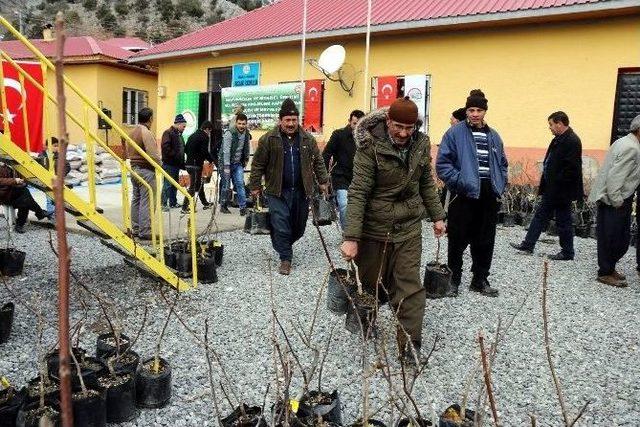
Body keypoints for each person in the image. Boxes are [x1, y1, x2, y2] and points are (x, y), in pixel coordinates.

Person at [339, 97, 446, 360]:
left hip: (408, 228)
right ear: (388, 121)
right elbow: (358, 193)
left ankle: (410, 345)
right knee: (371, 283)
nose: (403, 133)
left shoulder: (420, 145)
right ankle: (367, 319)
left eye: (409, 128)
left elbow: (426, 185)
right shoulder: (369, 147)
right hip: (374, 228)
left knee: (409, 287)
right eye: (398, 126)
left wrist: (437, 216)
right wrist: (351, 237)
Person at [436, 89, 508, 297]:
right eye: (471, 110)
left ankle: (480, 279)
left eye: (479, 110)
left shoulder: (494, 136)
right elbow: (442, 164)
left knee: (485, 239)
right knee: (457, 239)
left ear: (485, 111)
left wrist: (499, 185)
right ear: (467, 111)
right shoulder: (454, 133)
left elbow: (503, 164)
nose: (475, 114)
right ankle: (454, 280)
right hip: (463, 195)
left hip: (488, 195)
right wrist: (460, 182)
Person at [249, 98, 329, 275]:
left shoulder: (308, 139)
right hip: (277, 190)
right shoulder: (268, 139)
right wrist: (255, 185)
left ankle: (282, 242)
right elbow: (258, 164)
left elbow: (318, 161)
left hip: (301, 190)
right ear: (280, 121)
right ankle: (286, 258)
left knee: (299, 227)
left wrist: (323, 181)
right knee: (282, 223)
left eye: (294, 120)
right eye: (287, 120)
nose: (291, 124)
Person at [511, 112, 583, 260]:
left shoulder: (572, 141)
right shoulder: (559, 139)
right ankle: (528, 244)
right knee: (541, 216)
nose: (549, 128)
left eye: (551, 124)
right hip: (553, 188)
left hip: (561, 190)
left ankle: (567, 252)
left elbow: (572, 169)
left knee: (563, 221)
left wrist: (557, 185)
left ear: (560, 123)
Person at [588, 114, 640, 287]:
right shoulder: (632, 148)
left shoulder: (624, 142)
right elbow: (615, 177)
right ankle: (605, 272)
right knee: (614, 238)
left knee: (613, 237)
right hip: (615, 199)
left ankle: (609, 269)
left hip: (612, 198)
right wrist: (617, 201)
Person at [322, 109, 365, 228]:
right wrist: (323, 176)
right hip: (341, 176)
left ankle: (358, 232)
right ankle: (347, 234)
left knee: (360, 206)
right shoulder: (338, 135)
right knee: (344, 204)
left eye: (360, 124)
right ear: (349, 122)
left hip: (360, 177)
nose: (357, 127)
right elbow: (326, 154)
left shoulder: (367, 138)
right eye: (355, 123)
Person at [126, 107, 161, 240]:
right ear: (150, 118)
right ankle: (145, 230)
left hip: (134, 169)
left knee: (136, 199)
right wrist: (160, 165)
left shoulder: (132, 132)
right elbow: (153, 154)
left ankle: (135, 228)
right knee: (148, 200)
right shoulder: (146, 132)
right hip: (146, 170)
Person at [0, 163, 52, 233]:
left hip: (12, 192)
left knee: (25, 201)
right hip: (3, 196)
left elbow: (19, 178)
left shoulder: (9, 166)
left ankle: (21, 224)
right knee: (25, 196)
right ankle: (38, 213)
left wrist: (21, 182)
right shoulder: (4, 166)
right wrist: (14, 180)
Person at [219, 113, 251, 215]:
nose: (241, 126)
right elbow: (226, 151)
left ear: (246, 124)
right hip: (226, 163)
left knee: (240, 184)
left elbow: (246, 147)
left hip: (238, 164)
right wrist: (226, 167)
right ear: (236, 123)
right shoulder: (229, 133)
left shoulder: (246, 134)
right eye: (239, 123)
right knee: (226, 186)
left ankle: (243, 208)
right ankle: (223, 205)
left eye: (243, 124)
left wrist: (246, 159)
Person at [182, 121, 214, 214]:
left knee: (199, 184)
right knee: (193, 186)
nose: (209, 133)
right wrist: (211, 160)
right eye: (210, 131)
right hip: (196, 165)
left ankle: (205, 203)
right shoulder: (204, 137)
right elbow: (204, 151)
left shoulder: (192, 135)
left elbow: (186, 149)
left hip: (188, 164)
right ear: (207, 129)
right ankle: (184, 207)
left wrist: (191, 157)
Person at [37, 137, 70, 219]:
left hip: (58, 181)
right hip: (47, 181)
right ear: (48, 146)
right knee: (49, 199)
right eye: (54, 145)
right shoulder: (41, 156)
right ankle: (51, 215)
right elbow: (38, 168)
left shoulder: (60, 156)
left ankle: (57, 215)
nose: (57, 147)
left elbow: (67, 167)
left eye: (57, 146)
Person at [160, 114, 186, 210]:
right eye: (183, 126)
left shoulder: (179, 135)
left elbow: (182, 148)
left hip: (176, 164)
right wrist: (175, 155)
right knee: (167, 184)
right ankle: (163, 204)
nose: (184, 128)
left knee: (175, 184)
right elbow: (165, 148)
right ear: (178, 124)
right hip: (169, 164)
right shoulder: (168, 133)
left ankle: (173, 202)